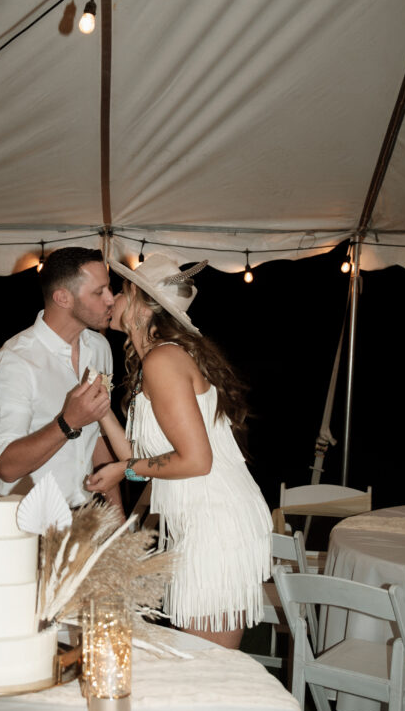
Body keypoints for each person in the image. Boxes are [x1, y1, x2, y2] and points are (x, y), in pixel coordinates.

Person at [86, 253, 273, 649]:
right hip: (203, 520)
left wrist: (123, 470)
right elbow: (147, 459)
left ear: (138, 301)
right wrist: (101, 414)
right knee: (200, 659)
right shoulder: (158, 360)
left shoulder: (163, 360)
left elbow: (195, 460)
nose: (112, 301)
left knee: (208, 664)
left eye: (119, 292)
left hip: (216, 523)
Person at [0, 246, 123, 517]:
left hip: (86, 514)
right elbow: (6, 467)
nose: (111, 299)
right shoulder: (15, 363)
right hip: (27, 522)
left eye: (109, 288)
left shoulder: (100, 348)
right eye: (98, 292)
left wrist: (116, 519)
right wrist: (67, 422)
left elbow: (95, 437)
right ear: (62, 298)